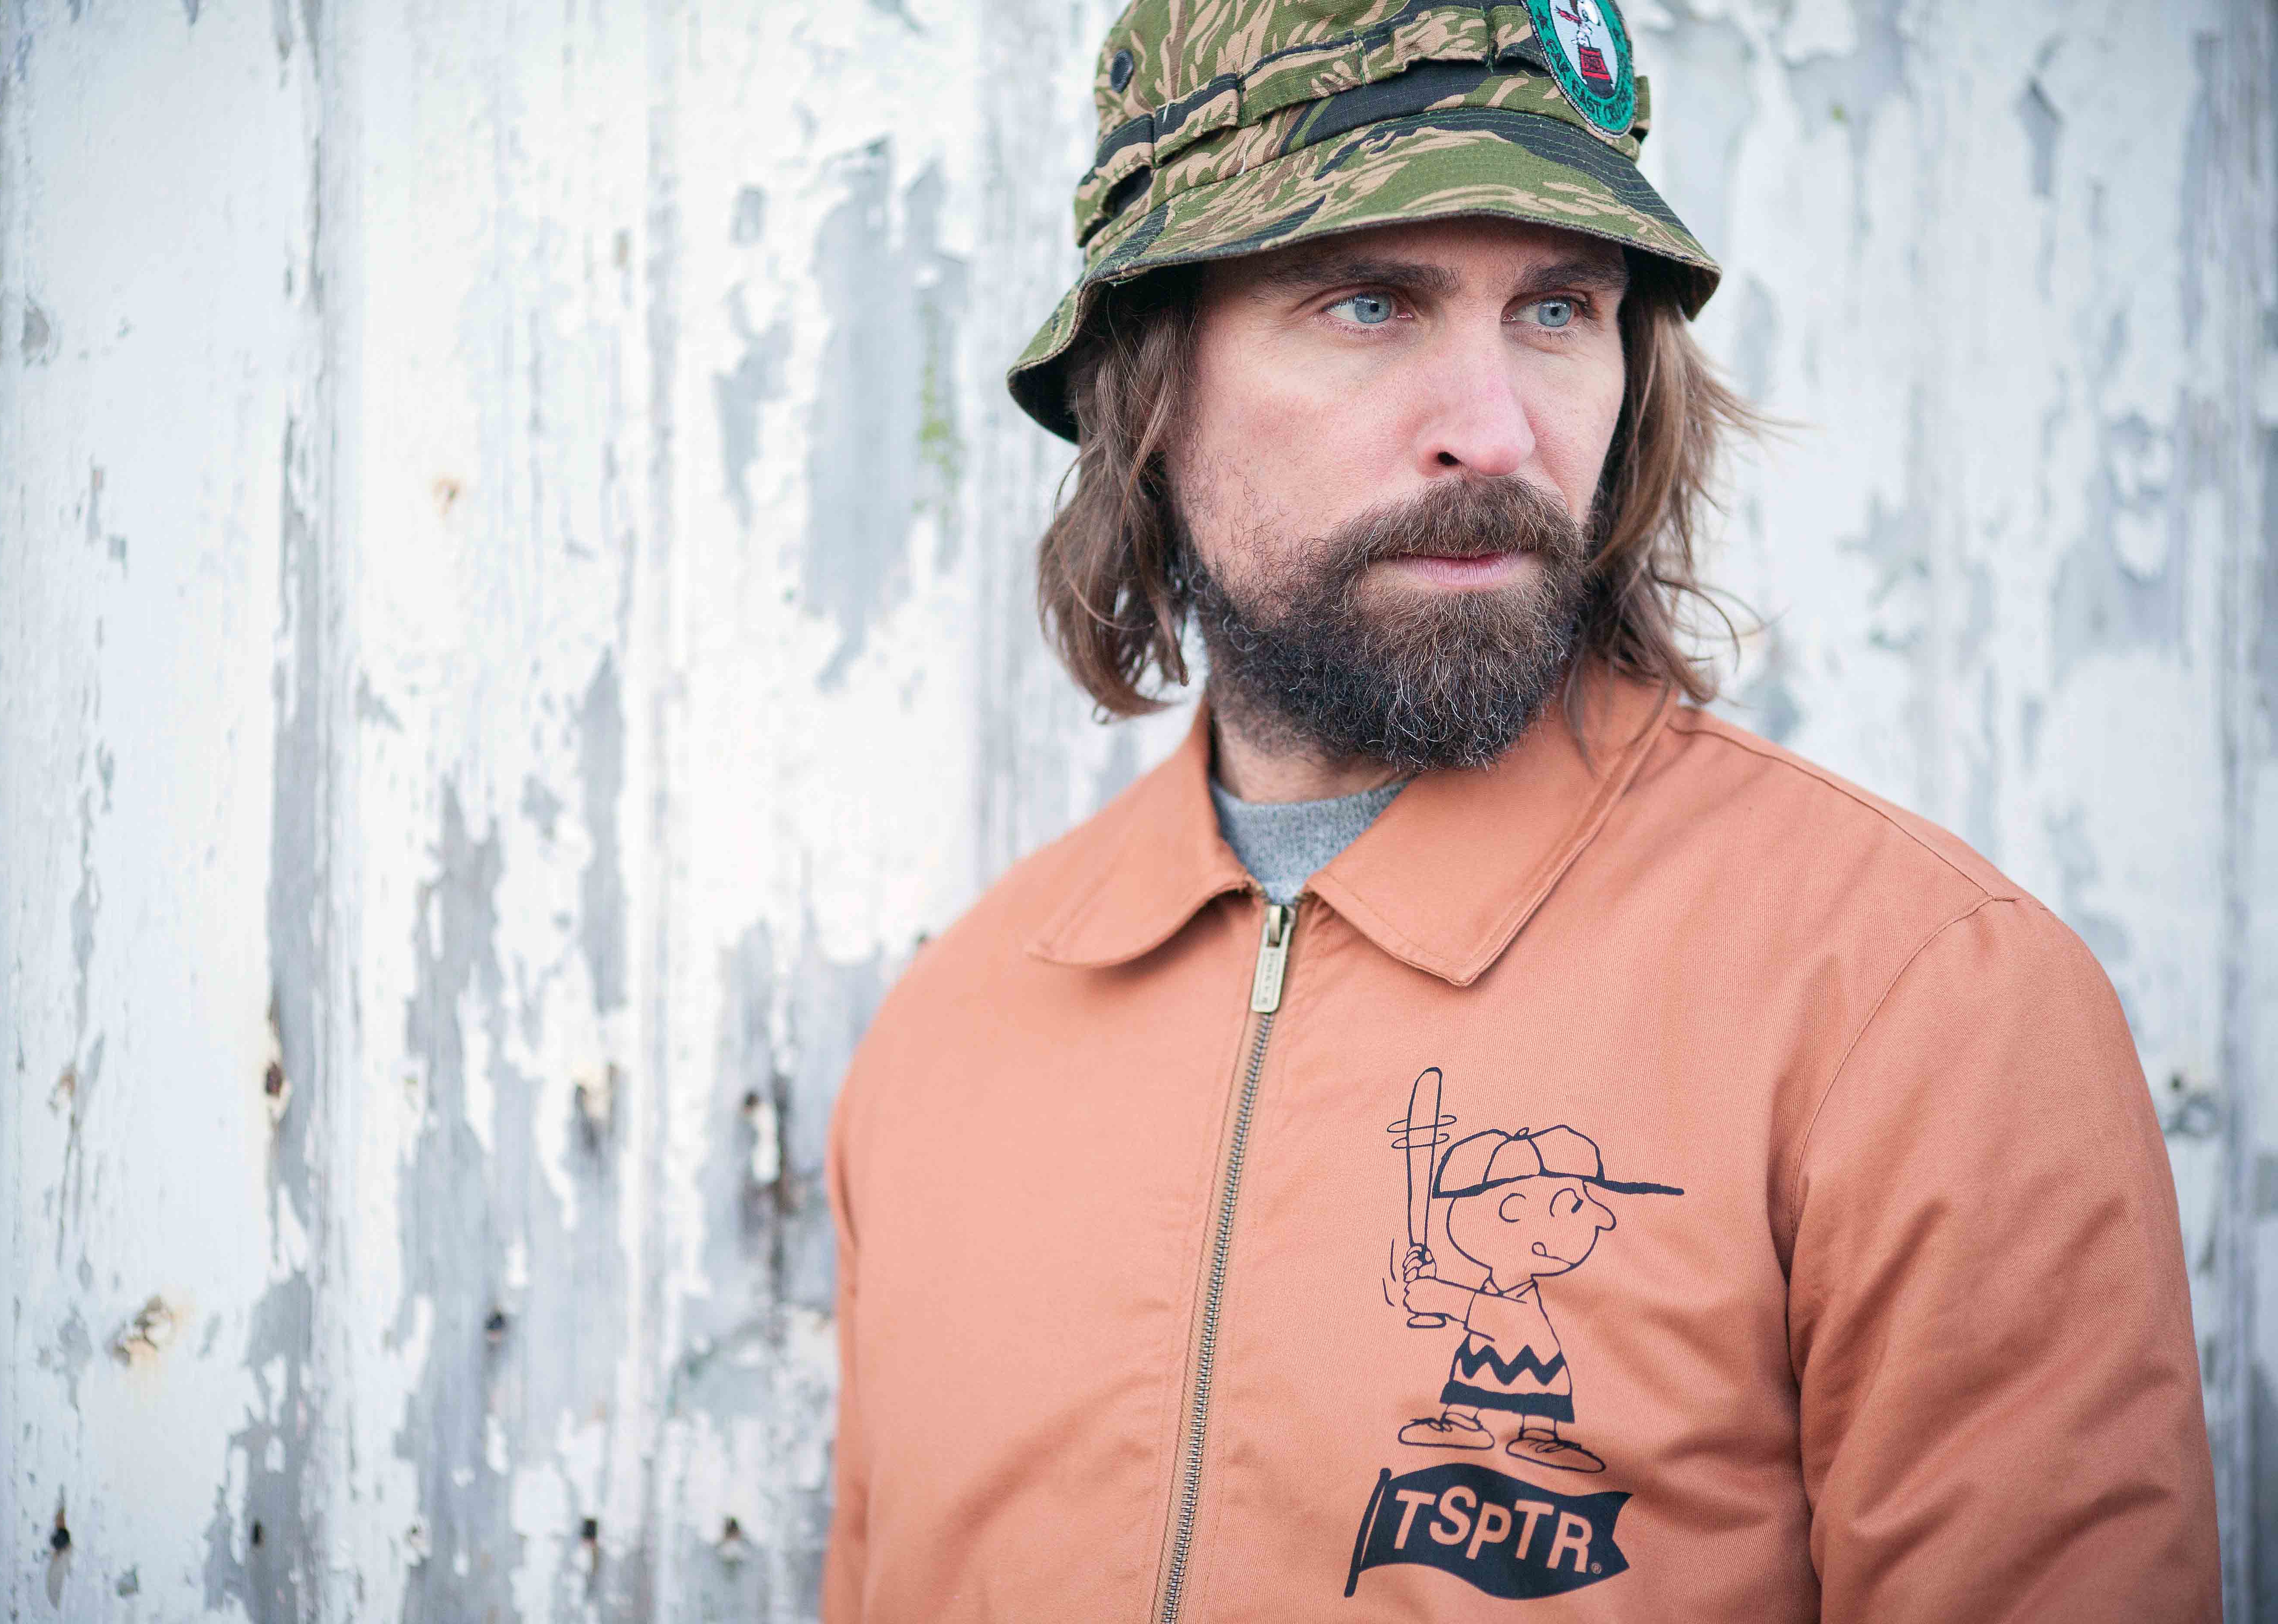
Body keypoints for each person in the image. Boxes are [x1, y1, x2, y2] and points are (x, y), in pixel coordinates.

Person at [822, 0, 2220, 1617]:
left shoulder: (1916, 1002)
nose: (1494, 432)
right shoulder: (953, 1038)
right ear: (1147, 384)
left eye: (1558, 310)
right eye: (1367, 303)